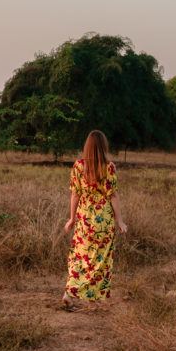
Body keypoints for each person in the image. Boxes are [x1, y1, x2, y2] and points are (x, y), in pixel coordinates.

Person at [61, 130, 127, 311]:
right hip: (103, 220)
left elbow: (75, 195)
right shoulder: (109, 167)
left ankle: (70, 293)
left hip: (84, 219)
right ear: (103, 146)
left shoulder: (78, 166)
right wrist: (120, 221)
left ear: (87, 146)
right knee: (100, 260)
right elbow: (113, 196)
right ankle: (91, 297)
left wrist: (72, 218)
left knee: (80, 257)